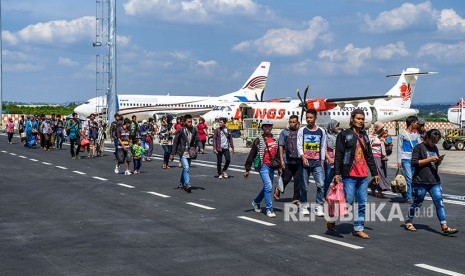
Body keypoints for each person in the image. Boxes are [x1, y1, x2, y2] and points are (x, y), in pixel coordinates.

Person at [333, 109, 379, 239]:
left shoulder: (364, 136)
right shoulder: (344, 135)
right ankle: (332, 218)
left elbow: (369, 156)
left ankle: (358, 228)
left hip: (363, 175)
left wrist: (375, 173)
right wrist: (337, 172)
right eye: (358, 118)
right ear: (352, 119)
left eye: (362, 119)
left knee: (362, 203)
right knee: (347, 201)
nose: (360, 121)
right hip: (349, 175)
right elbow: (339, 155)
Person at [404, 129, 458, 236]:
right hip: (420, 181)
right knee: (417, 203)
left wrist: (438, 161)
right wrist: (429, 159)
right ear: (427, 138)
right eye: (433, 141)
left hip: (434, 180)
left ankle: (444, 226)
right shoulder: (418, 148)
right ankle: (408, 220)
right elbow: (414, 162)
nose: (434, 143)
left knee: (439, 203)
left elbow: (434, 164)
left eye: (436, 141)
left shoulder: (435, 148)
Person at [244, 120, 281, 218]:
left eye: (269, 126)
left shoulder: (275, 140)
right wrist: (247, 169)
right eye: (265, 126)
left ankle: (256, 202)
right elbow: (252, 154)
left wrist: (280, 167)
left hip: (272, 166)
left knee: (267, 187)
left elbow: (277, 155)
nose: (267, 128)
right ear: (262, 128)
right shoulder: (258, 140)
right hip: (263, 166)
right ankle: (269, 209)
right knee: (268, 186)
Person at [297, 109, 326, 217]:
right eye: (307, 117)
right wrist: (303, 157)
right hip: (305, 163)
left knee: (321, 185)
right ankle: (304, 205)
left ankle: (319, 206)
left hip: (317, 162)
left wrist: (322, 160)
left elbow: (323, 146)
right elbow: (299, 145)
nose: (309, 119)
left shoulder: (321, 131)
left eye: (311, 117)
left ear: (315, 118)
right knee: (304, 186)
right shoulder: (302, 131)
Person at [170, 114, 202, 193]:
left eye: (191, 122)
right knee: (186, 167)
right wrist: (172, 154)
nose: (190, 123)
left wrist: (201, 147)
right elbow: (176, 142)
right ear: (184, 122)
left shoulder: (194, 130)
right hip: (182, 152)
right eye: (188, 122)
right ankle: (187, 185)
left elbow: (198, 139)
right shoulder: (181, 130)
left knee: (185, 168)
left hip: (190, 152)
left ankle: (181, 183)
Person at [275, 115, 301, 204]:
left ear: (298, 123)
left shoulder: (301, 132)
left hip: (299, 160)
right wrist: (281, 160)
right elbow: (281, 146)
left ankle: (296, 198)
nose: (292, 124)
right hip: (287, 160)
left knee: (298, 180)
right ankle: (278, 189)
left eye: (294, 122)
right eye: (290, 122)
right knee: (286, 178)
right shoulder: (284, 132)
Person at [397, 115, 422, 203]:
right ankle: (408, 197)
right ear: (411, 123)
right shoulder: (402, 133)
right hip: (405, 159)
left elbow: (420, 145)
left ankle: (409, 193)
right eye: (416, 123)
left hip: (414, 159)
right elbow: (399, 148)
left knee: (414, 178)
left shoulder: (416, 134)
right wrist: (399, 161)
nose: (417, 124)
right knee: (409, 178)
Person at [368, 122, 390, 198]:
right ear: (376, 128)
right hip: (374, 156)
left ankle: (372, 186)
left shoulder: (380, 136)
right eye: (381, 128)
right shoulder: (371, 136)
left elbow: (384, 146)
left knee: (383, 173)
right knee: (379, 174)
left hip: (381, 157)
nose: (383, 130)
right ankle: (380, 190)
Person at [323, 119, 340, 198]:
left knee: (338, 179)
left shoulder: (337, 136)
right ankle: (324, 195)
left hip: (336, 161)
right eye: (336, 126)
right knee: (328, 180)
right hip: (329, 161)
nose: (338, 128)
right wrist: (329, 159)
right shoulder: (326, 136)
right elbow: (324, 149)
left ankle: (335, 196)